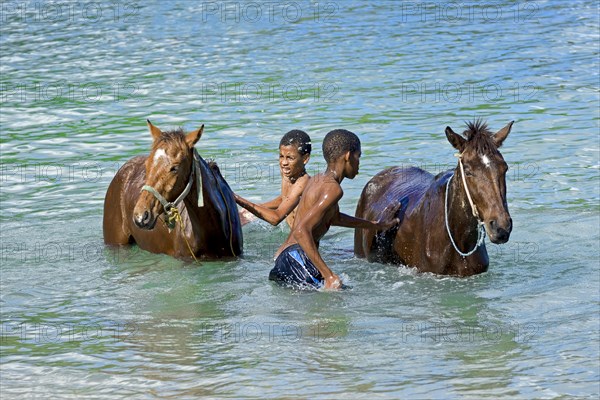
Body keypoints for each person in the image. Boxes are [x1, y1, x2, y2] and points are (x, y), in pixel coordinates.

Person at [269, 129, 399, 290]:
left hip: (287, 258)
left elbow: (335, 218)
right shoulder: (333, 189)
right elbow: (301, 231)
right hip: (297, 259)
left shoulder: (318, 180)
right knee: (341, 297)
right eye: (358, 157)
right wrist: (328, 275)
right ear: (348, 156)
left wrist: (375, 225)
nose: (358, 164)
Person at [235, 130, 312, 228]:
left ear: (305, 158)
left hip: (302, 241)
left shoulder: (303, 183)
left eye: (290, 158)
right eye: (281, 156)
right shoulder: (288, 172)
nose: (284, 163)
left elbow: (276, 218)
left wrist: (237, 199)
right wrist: (257, 208)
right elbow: (286, 198)